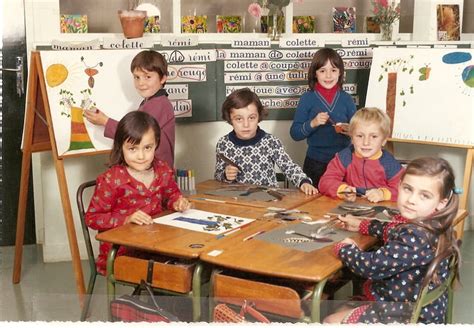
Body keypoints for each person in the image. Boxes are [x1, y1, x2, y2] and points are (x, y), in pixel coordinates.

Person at [325, 157, 461, 324]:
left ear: (441, 203)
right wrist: (363, 225)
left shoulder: (416, 236)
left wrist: (344, 248)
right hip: (419, 306)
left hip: (407, 315)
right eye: (408, 189)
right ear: (400, 185)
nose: (411, 199)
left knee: (330, 321)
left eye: (424, 195)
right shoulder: (432, 224)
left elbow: (371, 266)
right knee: (341, 308)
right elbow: (394, 229)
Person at [85, 111, 190, 275]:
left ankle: (157, 298)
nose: (141, 156)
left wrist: (177, 202)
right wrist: (126, 219)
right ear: (121, 147)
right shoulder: (111, 180)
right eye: (133, 149)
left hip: (158, 245)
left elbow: (171, 195)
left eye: (147, 148)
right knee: (175, 274)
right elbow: (92, 218)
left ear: (156, 144)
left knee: (191, 267)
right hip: (122, 254)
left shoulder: (162, 169)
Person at [215, 88, 318, 195]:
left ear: (259, 116)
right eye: (239, 119)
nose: (246, 125)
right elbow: (218, 175)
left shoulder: (270, 142)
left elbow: (288, 166)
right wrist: (226, 175)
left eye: (251, 118)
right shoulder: (223, 144)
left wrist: (303, 182)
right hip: (237, 200)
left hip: (268, 198)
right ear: (230, 118)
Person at [84, 50, 175, 167]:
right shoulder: (151, 101)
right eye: (137, 77)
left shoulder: (158, 104)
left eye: (147, 77)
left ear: (162, 79)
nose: (141, 83)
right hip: (150, 169)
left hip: (156, 173)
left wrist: (105, 121)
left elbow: (135, 134)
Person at [290, 47, 356, 187]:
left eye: (333, 70)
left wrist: (350, 130)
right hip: (315, 163)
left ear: (340, 73)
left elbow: (358, 131)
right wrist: (312, 123)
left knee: (341, 202)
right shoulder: (307, 98)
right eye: (322, 71)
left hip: (343, 163)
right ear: (315, 73)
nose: (328, 75)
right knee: (314, 204)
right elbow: (295, 134)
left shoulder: (347, 99)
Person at [318, 107, 404, 203]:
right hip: (350, 209)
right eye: (359, 136)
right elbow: (325, 182)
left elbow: (404, 190)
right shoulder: (344, 157)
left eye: (374, 136)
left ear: (384, 140)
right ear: (352, 138)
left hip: (381, 211)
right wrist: (343, 189)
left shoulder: (389, 164)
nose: (366, 142)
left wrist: (382, 194)